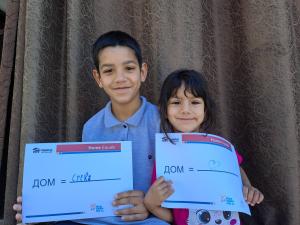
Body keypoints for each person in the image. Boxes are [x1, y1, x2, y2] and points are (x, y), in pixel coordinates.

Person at [13, 31, 169, 225]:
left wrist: (148, 204)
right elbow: (86, 190)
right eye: (109, 71)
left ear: (142, 72)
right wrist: (41, 207)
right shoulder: (91, 128)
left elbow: (179, 187)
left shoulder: (163, 122)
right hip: (100, 219)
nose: (120, 78)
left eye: (129, 68)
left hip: (149, 220)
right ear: (98, 78)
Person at [143, 69, 264, 225]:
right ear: (165, 110)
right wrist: (150, 204)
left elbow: (236, 167)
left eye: (194, 102)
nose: (185, 110)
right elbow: (175, 216)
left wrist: (248, 187)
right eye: (176, 102)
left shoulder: (218, 146)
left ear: (205, 110)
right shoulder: (165, 156)